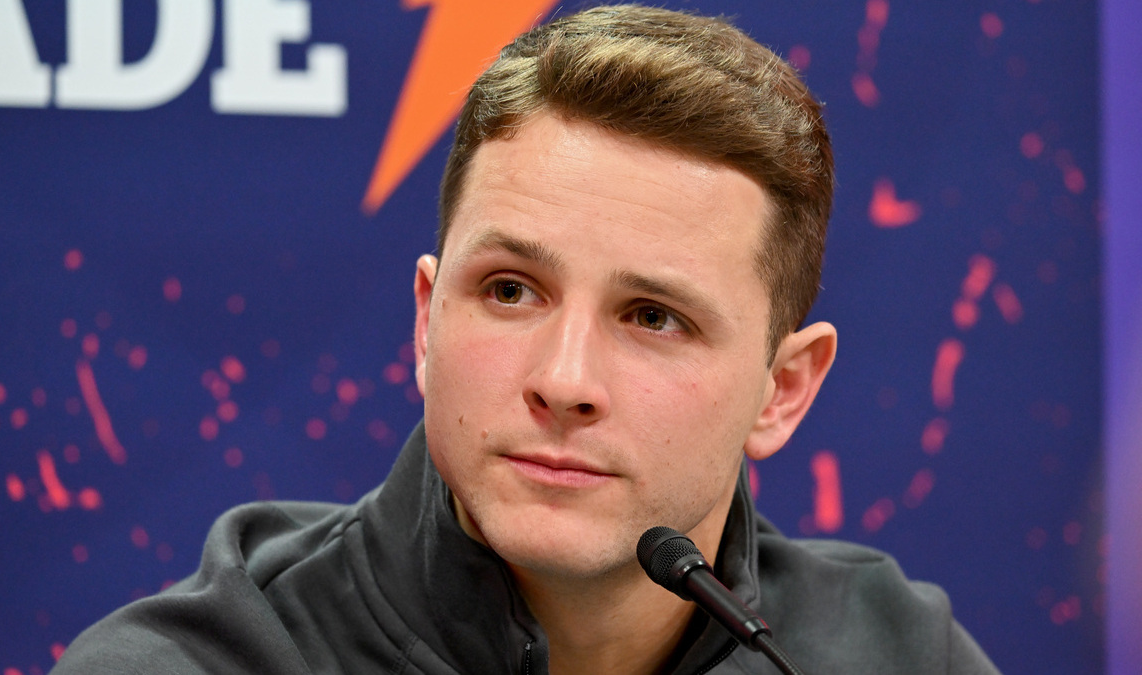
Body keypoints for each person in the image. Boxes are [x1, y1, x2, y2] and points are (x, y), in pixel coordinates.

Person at [54, 5, 1000, 674]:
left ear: (783, 389)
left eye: (653, 317)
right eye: (510, 290)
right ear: (427, 321)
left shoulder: (898, 654)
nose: (564, 379)